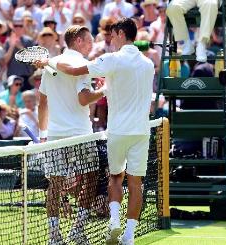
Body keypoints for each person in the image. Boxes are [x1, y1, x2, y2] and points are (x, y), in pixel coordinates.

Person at [43, 18, 154, 245]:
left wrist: (48, 61)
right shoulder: (148, 63)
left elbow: (71, 73)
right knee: (135, 183)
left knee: (113, 178)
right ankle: (128, 236)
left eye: (112, 35)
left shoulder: (110, 60)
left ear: (121, 33)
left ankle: (113, 221)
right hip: (141, 132)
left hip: (114, 131)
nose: (109, 40)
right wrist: (106, 87)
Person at [37, 25, 102, 245]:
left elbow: (42, 103)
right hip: (80, 134)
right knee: (91, 178)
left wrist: (43, 133)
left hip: (54, 136)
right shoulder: (82, 65)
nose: (92, 43)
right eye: (89, 40)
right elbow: (84, 99)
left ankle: (54, 237)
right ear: (78, 41)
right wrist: (104, 90)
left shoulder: (50, 65)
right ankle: (77, 230)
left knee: (54, 185)